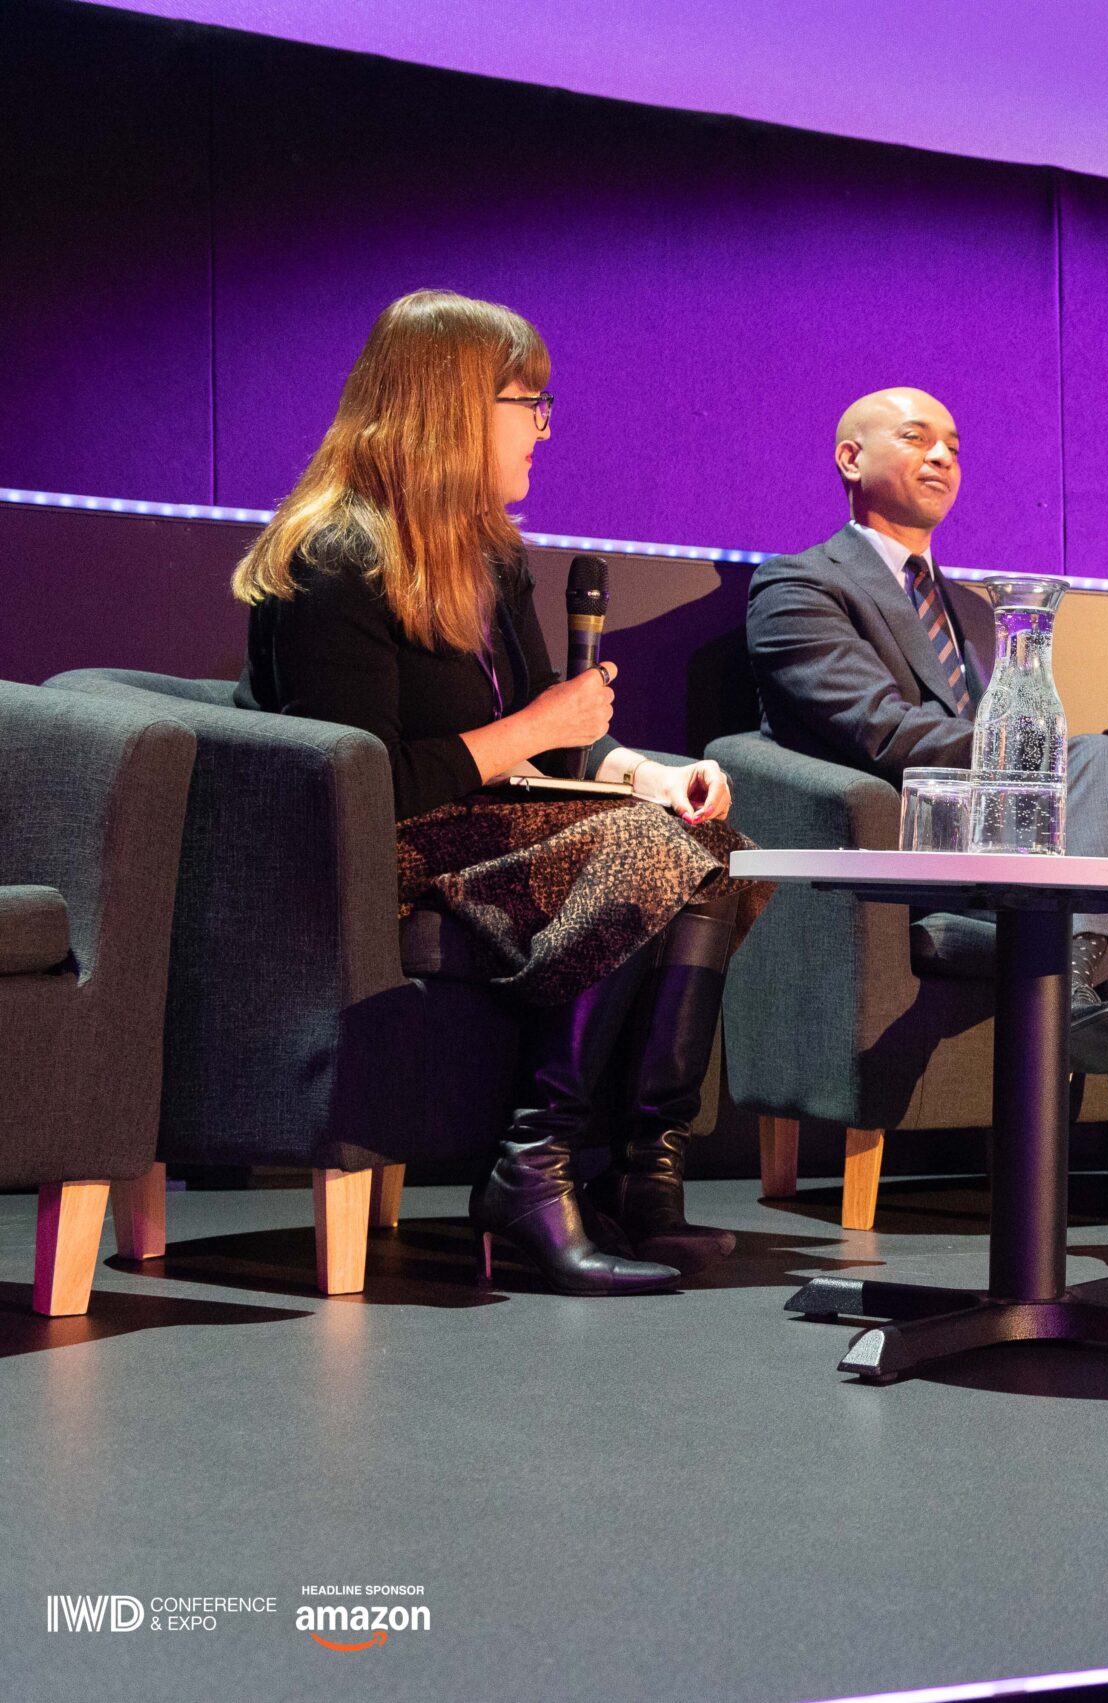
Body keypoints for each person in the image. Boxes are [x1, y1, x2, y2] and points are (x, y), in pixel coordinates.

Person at [234, 288, 765, 1295]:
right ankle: (535, 1164)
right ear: (450, 406)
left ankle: (641, 1170)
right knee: (645, 850)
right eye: (529, 402)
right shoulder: (336, 554)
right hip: (375, 851)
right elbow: (368, 779)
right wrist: (540, 732)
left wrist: (645, 771)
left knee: (712, 845)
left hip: (480, 828)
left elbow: (551, 738)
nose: (543, 429)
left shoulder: (489, 555)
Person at [745, 387, 1108, 1246]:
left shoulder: (977, 610)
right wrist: (1086, 768)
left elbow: (1016, 742)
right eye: (916, 438)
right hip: (897, 861)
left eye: (955, 443)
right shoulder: (798, 585)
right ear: (851, 458)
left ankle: (1085, 987)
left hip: (1003, 852)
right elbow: (882, 730)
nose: (944, 456)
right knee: (1089, 764)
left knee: (1102, 795)